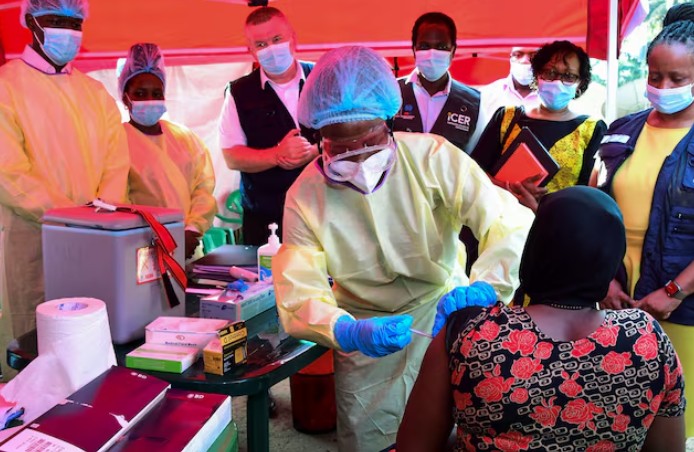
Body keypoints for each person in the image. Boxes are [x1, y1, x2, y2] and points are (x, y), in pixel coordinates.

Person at [273, 45, 534, 451]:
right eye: (341, 148)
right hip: (364, 332)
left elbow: (508, 220)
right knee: (370, 437)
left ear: (389, 121)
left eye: (370, 142)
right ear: (319, 136)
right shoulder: (305, 196)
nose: (358, 157)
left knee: (453, 430)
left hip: (443, 314)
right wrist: (343, 328)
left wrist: (487, 287)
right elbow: (299, 289)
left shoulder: (432, 158)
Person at [398, 186, 686, 452]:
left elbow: (415, 446)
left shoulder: (471, 333)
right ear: (613, 258)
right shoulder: (646, 338)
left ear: (534, 248)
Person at [0, 0, 129, 378]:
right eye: (55, 20)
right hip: (34, 237)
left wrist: (96, 218)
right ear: (31, 22)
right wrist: (67, 220)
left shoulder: (94, 93)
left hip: (96, 240)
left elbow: (116, 162)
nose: (67, 30)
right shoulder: (7, 87)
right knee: (36, 350)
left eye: (74, 22)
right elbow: (9, 173)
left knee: (92, 344)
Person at [597, 19, 694, 438]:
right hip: (618, 300)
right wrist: (603, 282)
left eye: (678, 78)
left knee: (680, 424)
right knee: (623, 416)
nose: (664, 86)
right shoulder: (621, 130)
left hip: (684, 307)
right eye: (656, 76)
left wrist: (674, 292)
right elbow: (596, 212)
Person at [218, 6, 318, 246]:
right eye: (261, 45)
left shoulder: (321, 77)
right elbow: (232, 156)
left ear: (293, 39)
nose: (271, 49)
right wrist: (277, 155)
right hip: (266, 218)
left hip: (323, 209)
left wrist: (313, 152)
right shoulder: (238, 92)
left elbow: (346, 134)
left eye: (276, 39)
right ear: (250, 51)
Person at [471, 40, 607, 212]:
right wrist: (510, 188)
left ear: (580, 84)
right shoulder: (507, 117)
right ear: (536, 75)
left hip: (562, 230)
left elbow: (591, 194)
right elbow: (473, 171)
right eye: (550, 73)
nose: (557, 81)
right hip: (504, 226)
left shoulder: (592, 129)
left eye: (568, 76)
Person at [118, 43, 216, 260]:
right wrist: (162, 236)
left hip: (189, 246)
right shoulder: (116, 141)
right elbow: (117, 202)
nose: (149, 100)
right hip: (143, 249)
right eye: (140, 93)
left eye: (156, 93)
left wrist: (192, 230)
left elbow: (203, 189)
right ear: (126, 98)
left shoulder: (184, 138)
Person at [392, 12, 483, 154]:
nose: (431, 54)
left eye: (441, 47)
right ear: (414, 49)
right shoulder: (391, 92)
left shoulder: (474, 102)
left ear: (453, 50)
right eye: (424, 46)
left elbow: (475, 162)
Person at [479, 46, 540, 124]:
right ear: (510, 57)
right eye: (518, 55)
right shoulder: (486, 94)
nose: (525, 61)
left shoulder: (553, 97)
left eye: (533, 56)